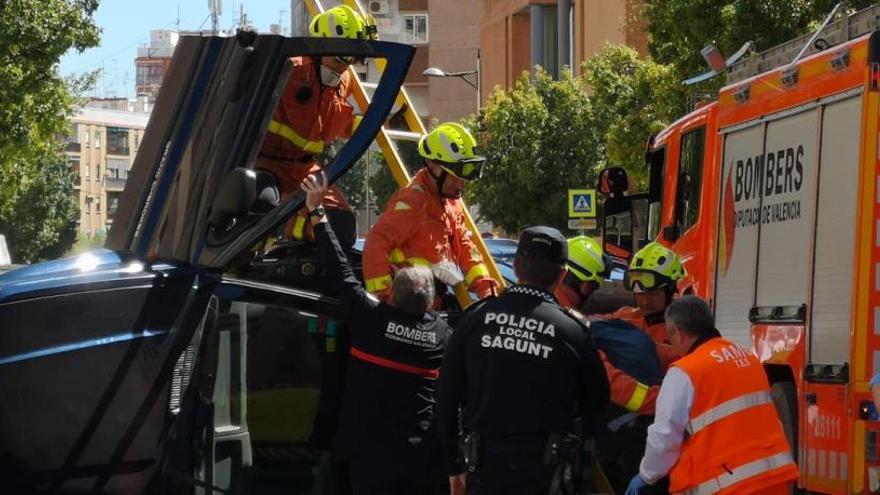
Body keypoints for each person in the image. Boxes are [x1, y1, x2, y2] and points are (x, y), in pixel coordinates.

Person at [302, 173, 451, 494]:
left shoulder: (370, 320)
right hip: (419, 460)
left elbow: (338, 269)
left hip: (368, 458)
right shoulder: (441, 336)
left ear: (390, 294)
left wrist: (317, 211)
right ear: (430, 305)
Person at [437, 226, 610, 495]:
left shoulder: (475, 321)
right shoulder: (573, 331)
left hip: (484, 471)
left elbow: (445, 398)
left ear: (516, 266)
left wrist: (453, 466)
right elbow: (597, 400)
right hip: (547, 474)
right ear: (562, 274)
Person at [625, 296, 798, 495]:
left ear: (679, 333)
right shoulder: (748, 358)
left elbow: (664, 436)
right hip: (772, 480)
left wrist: (646, 475)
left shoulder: (684, 373)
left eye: (670, 338)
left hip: (729, 486)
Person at [256, 5, 376, 250]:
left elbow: (340, 124)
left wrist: (379, 122)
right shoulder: (290, 68)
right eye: (342, 57)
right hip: (263, 162)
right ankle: (276, 234)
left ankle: (288, 238)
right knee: (261, 208)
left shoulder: (344, 82)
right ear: (321, 47)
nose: (345, 65)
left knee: (341, 228)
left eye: (352, 59)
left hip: (304, 168)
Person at [555, 236, 663, 493]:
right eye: (593, 286)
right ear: (583, 285)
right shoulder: (568, 323)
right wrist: (664, 401)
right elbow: (609, 380)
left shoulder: (547, 309)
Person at [362, 122, 498, 304]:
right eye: (455, 177)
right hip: (410, 306)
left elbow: (464, 246)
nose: (461, 185)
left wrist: (486, 291)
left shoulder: (450, 201)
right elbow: (375, 243)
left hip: (433, 301)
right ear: (433, 165)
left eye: (463, 179)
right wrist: (387, 298)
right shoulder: (413, 201)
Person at [602, 241, 687, 370]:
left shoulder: (684, 331)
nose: (645, 301)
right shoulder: (625, 315)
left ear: (669, 290)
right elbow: (593, 323)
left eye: (652, 293)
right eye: (640, 294)